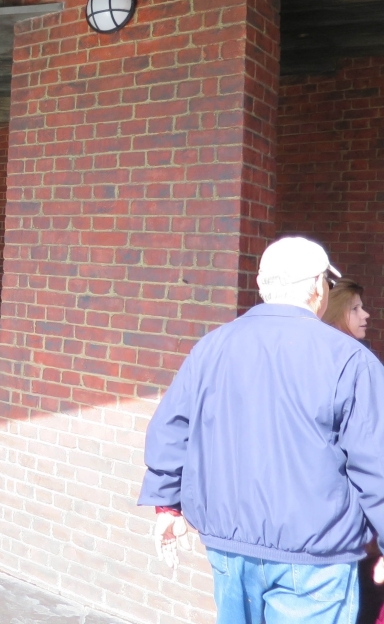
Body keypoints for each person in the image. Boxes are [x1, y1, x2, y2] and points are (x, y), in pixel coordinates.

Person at [139, 236, 384, 624]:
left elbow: (171, 428)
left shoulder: (211, 347)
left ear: (261, 284)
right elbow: (376, 460)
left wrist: (166, 504)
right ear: (318, 286)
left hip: (228, 548)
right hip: (314, 559)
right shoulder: (351, 360)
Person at [324, 279, 382, 624]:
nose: (367, 314)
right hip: (344, 531)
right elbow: (372, 456)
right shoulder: (355, 366)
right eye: (356, 308)